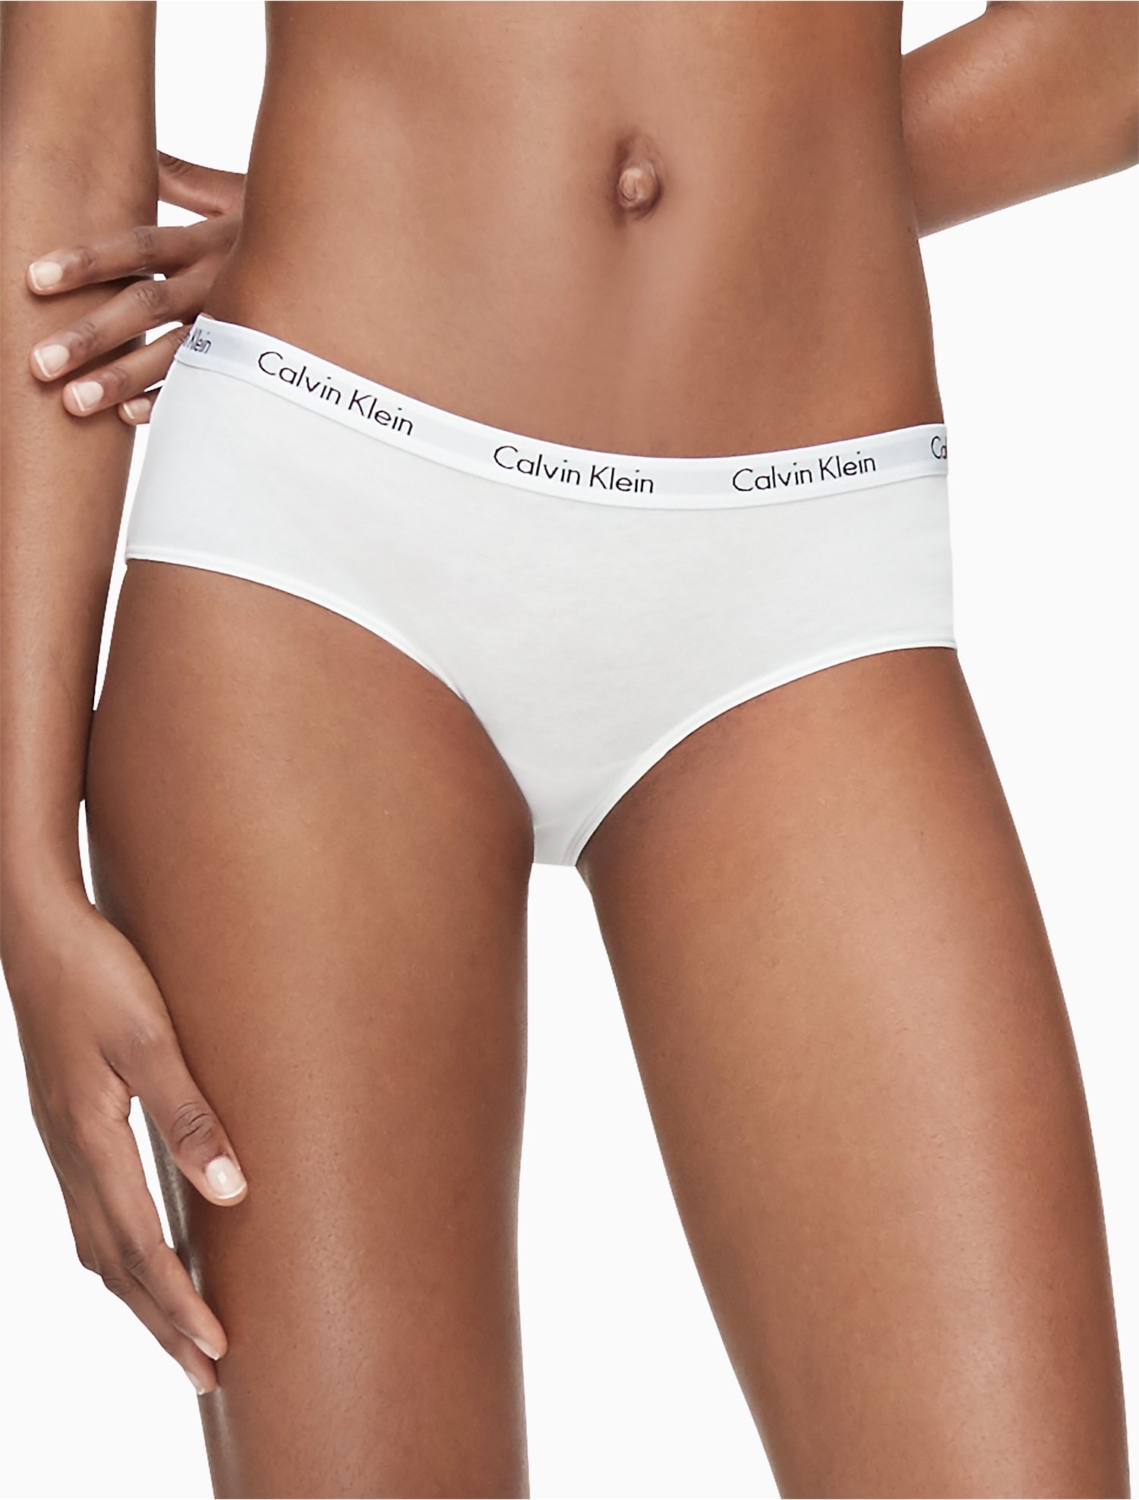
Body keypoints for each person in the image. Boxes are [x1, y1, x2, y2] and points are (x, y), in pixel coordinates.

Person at [2, 3, 1135, 1495]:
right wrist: (22, 867)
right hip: (318, 549)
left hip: (807, 571)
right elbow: (63, 139)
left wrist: (775, 182)